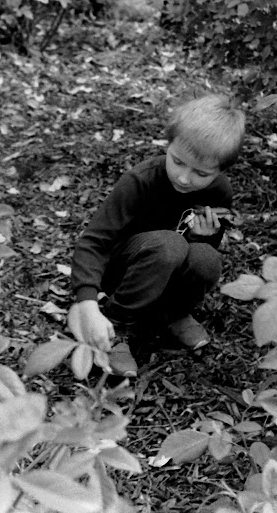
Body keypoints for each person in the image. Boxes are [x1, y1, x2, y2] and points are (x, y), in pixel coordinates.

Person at [67, 93, 246, 376]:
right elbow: (94, 242)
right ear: (168, 144)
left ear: (220, 170)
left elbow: (199, 252)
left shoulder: (218, 192)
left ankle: (172, 313)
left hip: (162, 273)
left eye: (200, 173)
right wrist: (88, 304)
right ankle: (116, 324)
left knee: (207, 257)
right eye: (177, 161)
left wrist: (204, 237)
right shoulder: (139, 182)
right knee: (169, 244)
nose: (184, 178)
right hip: (122, 273)